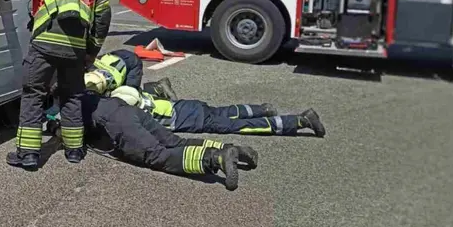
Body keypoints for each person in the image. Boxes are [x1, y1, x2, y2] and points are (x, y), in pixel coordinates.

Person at [0, 0, 111, 168]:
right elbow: (103, 19)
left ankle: (28, 154)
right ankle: (75, 151)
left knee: (33, 93)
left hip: (45, 44)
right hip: (76, 50)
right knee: (72, 97)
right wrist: (92, 51)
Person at [39, 91, 259, 191]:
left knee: (158, 156)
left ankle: (215, 159)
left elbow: (68, 136)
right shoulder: (76, 87)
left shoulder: (59, 111)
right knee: (176, 141)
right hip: (126, 109)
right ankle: (232, 149)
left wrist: (56, 130)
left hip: (117, 124)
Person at [110, 86, 326, 138]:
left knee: (241, 127)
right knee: (226, 111)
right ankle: (263, 108)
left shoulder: (139, 114)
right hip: (189, 105)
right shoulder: (141, 96)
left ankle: (299, 121)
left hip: (196, 120)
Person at [82, 49, 177, 100]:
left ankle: (159, 87)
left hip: (132, 64)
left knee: (130, 99)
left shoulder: (106, 85)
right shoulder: (87, 72)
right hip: (115, 57)